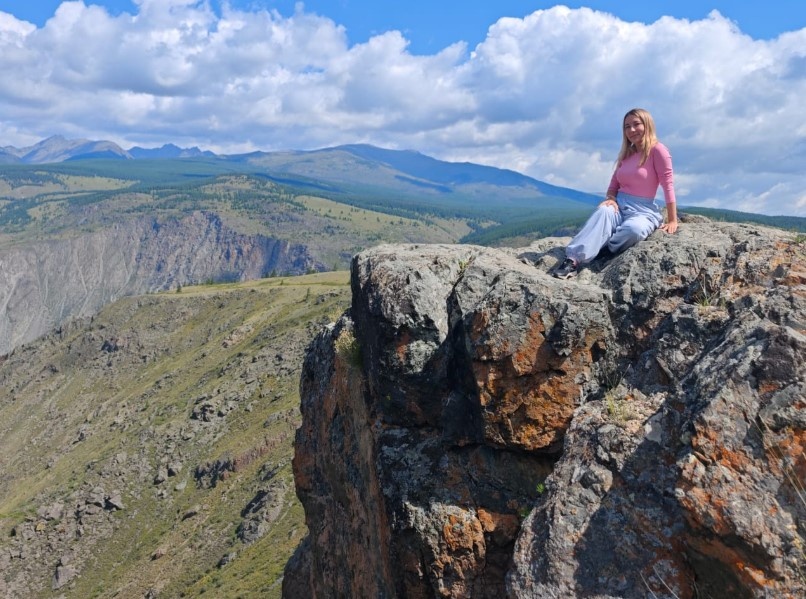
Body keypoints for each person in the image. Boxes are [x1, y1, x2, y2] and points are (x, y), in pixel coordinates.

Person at [553, 108, 678, 279]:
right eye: (627, 126)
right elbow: (613, 185)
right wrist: (611, 199)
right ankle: (572, 260)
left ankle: (606, 249)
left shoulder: (658, 150)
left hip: (643, 210)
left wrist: (672, 220)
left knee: (635, 229)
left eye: (636, 124)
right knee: (603, 211)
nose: (631, 130)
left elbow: (668, 185)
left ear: (647, 125)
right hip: (619, 204)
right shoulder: (627, 154)